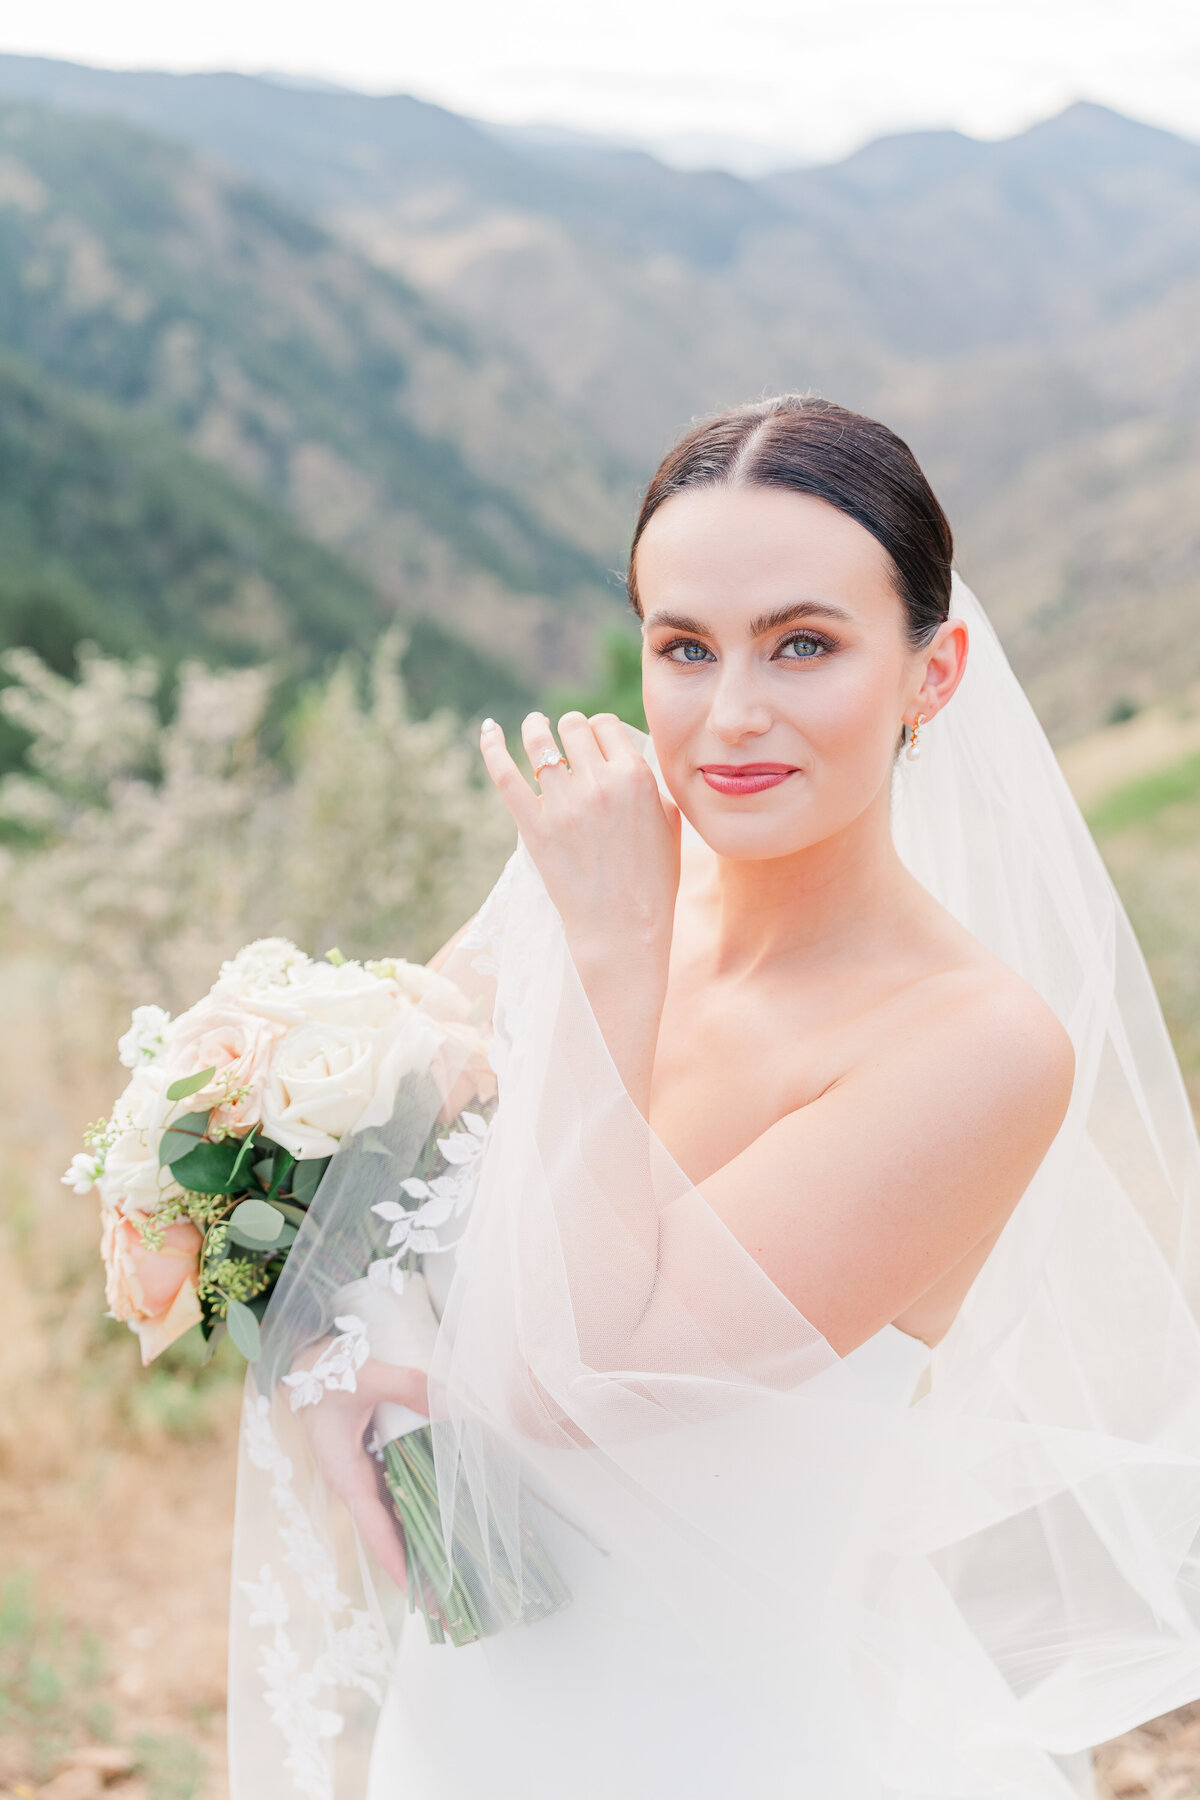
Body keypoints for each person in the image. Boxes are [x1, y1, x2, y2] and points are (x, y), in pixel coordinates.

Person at [228, 398, 1200, 1800]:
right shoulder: (579, 892)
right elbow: (354, 1169)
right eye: (686, 648)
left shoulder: (975, 1047)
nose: (733, 713)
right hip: (467, 1716)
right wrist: (321, 1361)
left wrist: (616, 952)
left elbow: (577, 1377)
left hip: (723, 1743)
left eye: (804, 644)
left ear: (932, 674)